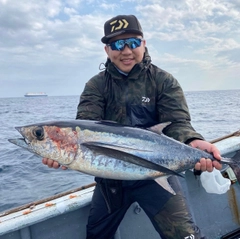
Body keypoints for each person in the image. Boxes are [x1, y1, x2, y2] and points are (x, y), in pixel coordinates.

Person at [42, 14, 222, 239]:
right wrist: (62, 153)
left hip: (157, 174)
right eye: (117, 44)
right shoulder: (96, 86)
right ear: (107, 50)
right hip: (110, 181)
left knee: (185, 236)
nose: (126, 50)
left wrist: (192, 142)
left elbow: (177, 123)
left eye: (133, 42)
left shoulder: (163, 81)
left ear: (143, 44)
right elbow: (84, 127)